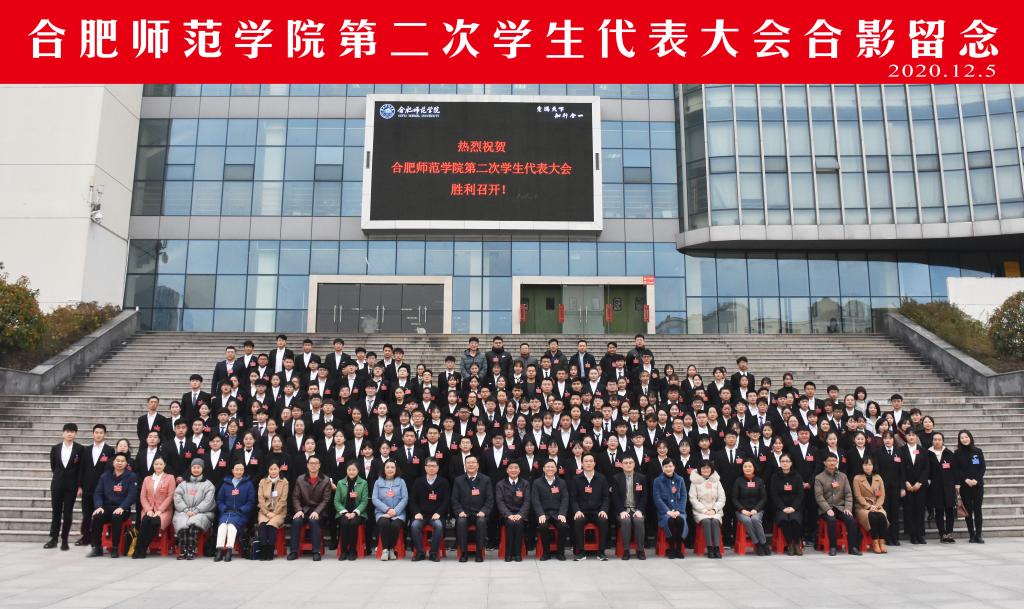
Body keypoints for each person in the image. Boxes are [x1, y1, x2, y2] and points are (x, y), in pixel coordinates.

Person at [88, 452, 139, 558]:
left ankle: (115, 548)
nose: (120, 463)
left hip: (122, 509)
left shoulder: (131, 476)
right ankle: (97, 548)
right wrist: (99, 506)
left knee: (116, 517)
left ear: (126, 463)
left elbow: (132, 495)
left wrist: (122, 507)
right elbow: (98, 493)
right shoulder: (105, 476)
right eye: (118, 461)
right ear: (113, 462)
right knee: (97, 516)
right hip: (106, 507)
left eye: (122, 461)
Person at [814, 454, 861, 556]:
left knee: (851, 520)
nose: (832, 463)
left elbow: (848, 494)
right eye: (829, 460)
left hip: (840, 507)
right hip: (826, 508)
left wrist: (848, 508)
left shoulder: (843, 476)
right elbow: (819, 496)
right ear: (824, 462)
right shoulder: (819, 478)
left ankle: (852, 547)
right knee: (831, 520)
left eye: (834, 460)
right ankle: (833, 547)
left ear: (837, 462)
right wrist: (827, 509)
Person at [287, 455, 332, 561]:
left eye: (316, 463)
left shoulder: (325, 480)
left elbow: (326, 499)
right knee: (296, 520)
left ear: (319, 465)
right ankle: (294, 551)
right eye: (311, 463)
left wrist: (317, 511)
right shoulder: (300, 479)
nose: (313, 465)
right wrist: (299, 510)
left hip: (319, 511)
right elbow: (295, 497)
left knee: (313, 521)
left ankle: (316, 551)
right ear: (307, 465)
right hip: (304, 510)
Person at [46, 423, 83, 551]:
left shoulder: (80, 449)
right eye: (67, 431)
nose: (69, 434)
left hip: (71, 486)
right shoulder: (55, 448)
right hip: (57, 484)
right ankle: (53, 539)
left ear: (75, 434)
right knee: (56, 512)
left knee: (68, 513)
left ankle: (65, 540)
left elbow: (80, 469)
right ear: (63, 433)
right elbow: (53, 466)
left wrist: (79, 486)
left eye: (72, 432)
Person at [172, 458, 216, 560]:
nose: (196, 469)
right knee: (182, 525)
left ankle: (191, 550)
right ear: (191, 468)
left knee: (193, 525)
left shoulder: (208, 484)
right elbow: (177, 498)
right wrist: (186, 510)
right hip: (184, 511)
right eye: (194, 467)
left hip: (203, 512)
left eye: (198, 467)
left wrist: (196, 511)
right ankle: (182, 550)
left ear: (202, 469)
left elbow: (208, 501)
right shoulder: (183, 484)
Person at [569, 454, 610, 561]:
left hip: (597, 511)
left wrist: (603, 510)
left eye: (591, 461)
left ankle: (601, 552)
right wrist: (577, 510)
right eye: (586, 461)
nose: (588, 463)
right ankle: (581, 552)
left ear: (594, 463)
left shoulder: (601, 478)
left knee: (603, 520)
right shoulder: (576, 479)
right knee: (578, 521)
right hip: (582, 512)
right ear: (582, 464)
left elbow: (606, 497)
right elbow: (573, 498)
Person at [452, 455, 493, 562]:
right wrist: (460, 511)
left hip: (480, 513)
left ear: (478, 465)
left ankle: (479, 552)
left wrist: (484, 511)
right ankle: (463, 552)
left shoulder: (486, 479)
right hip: (464, 513)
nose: (471, 465)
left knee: (481, 522)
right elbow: (454, 499)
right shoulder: (458, 480)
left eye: (473, 462)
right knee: (461, 522)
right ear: (465, 465)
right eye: (468, 463)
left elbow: (490, 499)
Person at [134, 455, 176, 558]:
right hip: (149, 509)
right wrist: (148, 509)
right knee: (145, 521)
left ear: (164, 465)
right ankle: (138, 549)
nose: (158, 466)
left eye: (160, 464)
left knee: (154, 521)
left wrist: (160, 510)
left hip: (164, 510)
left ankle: (142, 548)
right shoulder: (147, 479)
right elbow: (143, 496)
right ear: (153, 465)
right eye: (156, 464)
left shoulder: (170, 478)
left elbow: (170, 496)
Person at [409, 457, 450, 562]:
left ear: (438, 468)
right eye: (429, 466)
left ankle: (433, 553)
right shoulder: (418, 481)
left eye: (434, 466)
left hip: (436, 515)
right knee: (414, 525)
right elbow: (412, 499)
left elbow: (446, 501)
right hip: (421, 515)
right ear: (425, 467)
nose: (431, 468)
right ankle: (420, 553)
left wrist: (439, 513)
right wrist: (416, 512)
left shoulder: (444, 482)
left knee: (438, 525)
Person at [214, 462, 255, 562]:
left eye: (241, 469)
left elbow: (251, 502)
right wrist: (224, 509)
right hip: (226, 513)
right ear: (232, 471)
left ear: (243, 471)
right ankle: (219, 550)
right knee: (222, 525)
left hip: (240, 514)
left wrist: (242, 509)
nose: (239, 472)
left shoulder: (248, 484)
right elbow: (219, 500)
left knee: (231, 526)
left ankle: (229, 550)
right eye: (236, 469)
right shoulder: (225, 484)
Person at [612, 454, 649, 560]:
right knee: (626, 521)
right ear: (622, 465)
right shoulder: (616, 478)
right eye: (626, 463)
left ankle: (640, 550)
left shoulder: (641, 478)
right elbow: (615, 497)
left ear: (634, 464)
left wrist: (640, 510)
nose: (628, 465)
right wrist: (621, 511)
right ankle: (626, 550)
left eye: (630, 463)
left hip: (636, 509)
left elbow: (644, 496)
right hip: (623, 509)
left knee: (639, 520)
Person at [532, 459, 569, 561]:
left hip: (557, 513)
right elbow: (535, 500)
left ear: (556, 469)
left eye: (552, 467)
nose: (550, 469)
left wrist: (562, 513)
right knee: (543, 526)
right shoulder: (537, 482)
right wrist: (540, 514)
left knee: (563, 526)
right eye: (548, 467)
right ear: (543, 469)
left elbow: (565, 498)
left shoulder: (561, 482)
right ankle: (546, 553)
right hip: (544, 514)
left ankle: (560, 552)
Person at [372, 460, 408, 561]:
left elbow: (405, 498)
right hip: (382, 512)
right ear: (384, 469)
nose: (390, 469)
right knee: (384, 523)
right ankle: (385, 550)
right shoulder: (378, 482)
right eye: (387, 467)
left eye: (392, 467)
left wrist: (395, 511)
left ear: (396, 469)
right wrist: (387, 510)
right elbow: (374, 499)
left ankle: (391, 549)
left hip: (398, 513)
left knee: (395, 525)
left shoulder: (401, 482)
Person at [689, 461, 726, 559]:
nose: (706, 470)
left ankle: (716, 548)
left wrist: (714, 509)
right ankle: (710, 548)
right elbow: (693, 499)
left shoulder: (716, 481)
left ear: (711, 469)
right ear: (699, 469)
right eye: (703, 468)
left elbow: (722, 498)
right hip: (700, 511)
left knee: (715, 521)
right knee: (706, 521)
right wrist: (704, 510)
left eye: (708, 468)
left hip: (715, 510)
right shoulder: (695, 482)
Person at [495, 461, 530, 561]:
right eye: (511, 468)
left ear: (519, 470)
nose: (513, 470)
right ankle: (508, 553)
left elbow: (527, 501)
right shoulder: (500, 484)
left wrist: (520, 514)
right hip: (506, 515)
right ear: (507, 470)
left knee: (518, 523)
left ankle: (517, 553)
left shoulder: (525, 483)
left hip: (520, 514)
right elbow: (500, 502)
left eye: (516, 468)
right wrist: (508, 514)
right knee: (510, 523)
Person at [954, 430, 986, 543]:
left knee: (978, 510)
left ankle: (978, 535)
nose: (964, 439)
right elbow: (957, 469)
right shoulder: (957, 453)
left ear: (970, 438)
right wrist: (966, 479)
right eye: (962, 438)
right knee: (968, 510)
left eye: (966, 437)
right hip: (965, 486)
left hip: (977, 485)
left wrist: (976, 479)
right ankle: (971, 535)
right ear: (959, 440)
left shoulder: (978, 451)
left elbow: (982, 467)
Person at [769, 453, 804, 555]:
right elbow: (774, 495)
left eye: (787, 461)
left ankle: (797, 544)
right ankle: (790, 544)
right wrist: (783, 508)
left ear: (791, 463)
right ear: (779, 463)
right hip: (780, 507)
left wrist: (793, 507)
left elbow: (800, 494)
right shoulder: (775, 477)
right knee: (784, 520)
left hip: (795, 507)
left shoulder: (797, 476)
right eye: (782, 461)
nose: (785, 463)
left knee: (794, 519)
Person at [927, 432, 959, 543]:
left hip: (948, 486)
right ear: (932, 441)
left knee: (950, 510)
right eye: (935, 439)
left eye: (939, 439)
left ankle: (949, 533)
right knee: (939, 510)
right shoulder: (928, 453)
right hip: (935, 487)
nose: (937, 441)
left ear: (943, 441)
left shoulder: (949, 453)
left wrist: (956, 484)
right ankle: (942, 534)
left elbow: (955, 470)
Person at [852, 457, 888, 554]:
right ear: (862, 466)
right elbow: (857, 496)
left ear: (873, 466)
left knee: (882, 516)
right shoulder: (857, 478)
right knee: (872, 517)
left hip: (877, 505)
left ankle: (882, 542)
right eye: (865, 464)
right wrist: (868, 506)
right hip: (862, 507)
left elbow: (882, 495)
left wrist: (877, 505)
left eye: (870, 464)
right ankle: (875, 543)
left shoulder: (878, 477)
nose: (868, 467)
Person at [733, 460, 770, 555]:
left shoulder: (759, 480)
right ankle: (758, 544)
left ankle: (764, 543)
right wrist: (742, 510)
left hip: (756, 510)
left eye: (750, 466)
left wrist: (756, 509)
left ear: (754, 468)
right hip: (742, 511)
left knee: (755, 519)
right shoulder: (738, 481)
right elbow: (734, 499)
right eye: (745, 466)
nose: (747, 468)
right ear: (742, 468)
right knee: (747, 520)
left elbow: (763, 498)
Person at [900, 429, 930, 544]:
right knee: (909, 510)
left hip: (920, 486)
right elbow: (900, 468)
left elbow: (926, 468)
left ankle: (920, 534)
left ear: (916, 436)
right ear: (905, 437)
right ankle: (912, 535)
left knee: (920, 510)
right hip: (907, 485)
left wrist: (920, 482)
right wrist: (905, 482)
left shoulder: (923, 450)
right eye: (909, 435)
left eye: (913, 435)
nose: (911, 437)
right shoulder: (901, 450)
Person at [652, 458, 687, 559]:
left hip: (679, 511)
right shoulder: (657, 481)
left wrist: (679, 511)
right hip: (664, 513)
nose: (668, 469)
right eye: (666, 467)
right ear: (663, 468)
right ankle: (671, 548)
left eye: (670, 466)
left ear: (674, 467)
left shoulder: (680, 480)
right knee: (670, 520)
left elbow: (684, 496)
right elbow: (657, 498)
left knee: (680, 520)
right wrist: (667, 511)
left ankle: (678, 549)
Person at [335, 461, 369, 561]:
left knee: (353, 523)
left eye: (354, 470)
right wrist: (345, 512)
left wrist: (355, 512)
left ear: (358, 471)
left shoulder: (363, 483)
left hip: (359, 513)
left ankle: (353, 551)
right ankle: (343, 551)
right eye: (349, 470)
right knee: (345, 522)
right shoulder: (340, 483)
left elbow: (364, 501)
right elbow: (336, 501)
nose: (351, 472)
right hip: (343, 512)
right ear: (346, 470)